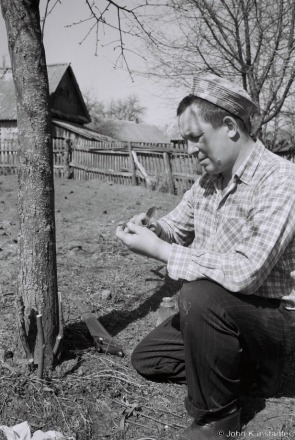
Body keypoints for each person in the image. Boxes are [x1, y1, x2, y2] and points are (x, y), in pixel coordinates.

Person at [115, 73, 295, 440]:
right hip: (224, 310)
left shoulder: (282, 181)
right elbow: (176, 225)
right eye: (184, 140)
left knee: (197, 295)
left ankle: (218, 417)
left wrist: (163, 252)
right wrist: (152, 229)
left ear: (229, 126)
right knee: (149, 358)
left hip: (277, 316)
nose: (189, 149)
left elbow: (246, 273)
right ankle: (255, 371)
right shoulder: (207, 183)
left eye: (195, 137)